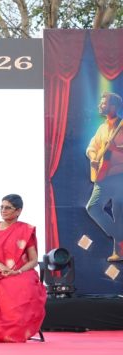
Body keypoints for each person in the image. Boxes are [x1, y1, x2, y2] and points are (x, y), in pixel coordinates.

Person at [0, 194, 47, 343]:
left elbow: (33, 260)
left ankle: (17, 331)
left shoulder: (26, 230)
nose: (3, 210)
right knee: (1, 286)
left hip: (21, 271)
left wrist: (18, 271)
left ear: (18, 211)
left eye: (8, 208)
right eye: (1, 207)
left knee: (25, 286)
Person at [85, 92, 123, 262]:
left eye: (103, 103)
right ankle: (121, 237)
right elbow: (91, 147)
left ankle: (119, 252)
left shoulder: (121, 126)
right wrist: (93, 158)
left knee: (119, 213)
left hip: (119, 176)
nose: (100, 105)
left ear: (113, 107)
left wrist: (116, 149)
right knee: (93, 207)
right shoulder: (102, 128)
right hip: (102, 176)